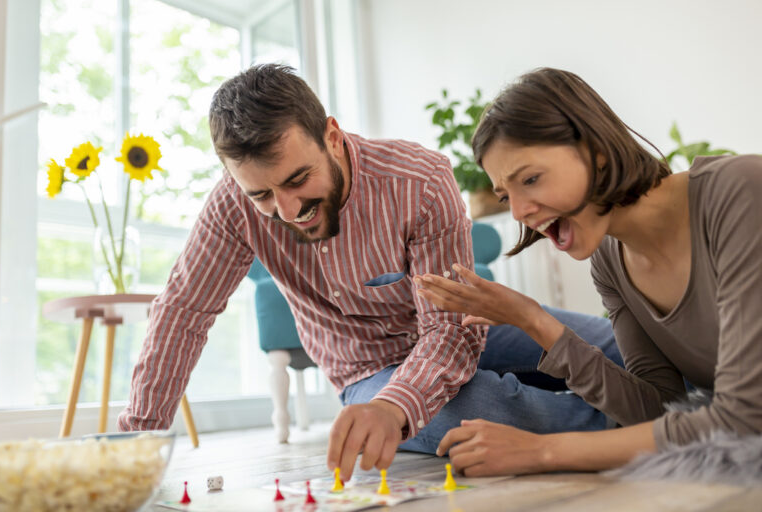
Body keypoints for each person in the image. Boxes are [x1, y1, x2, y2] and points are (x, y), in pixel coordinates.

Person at [118, 64, 622, 481]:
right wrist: (135, 445)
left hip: (466, 330)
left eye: (298, 179)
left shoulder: (420, 180)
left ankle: (661, 408)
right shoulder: (231, 207)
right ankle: (654, 429)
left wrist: (397, 405)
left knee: (615, 345)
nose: (288, 210)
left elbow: (449, 331)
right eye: (263, 195)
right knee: (479, 406)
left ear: (332, 138)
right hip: (366, 372)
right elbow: (182, 313)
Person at [415, 67, 762, 477]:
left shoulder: (740, 191)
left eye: (531, 179)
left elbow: (744, 418)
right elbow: (657, 410)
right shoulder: (611, 262)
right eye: (507, 196)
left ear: (596, 150)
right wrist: (533, 320)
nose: (520, 212)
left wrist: (544, 451)